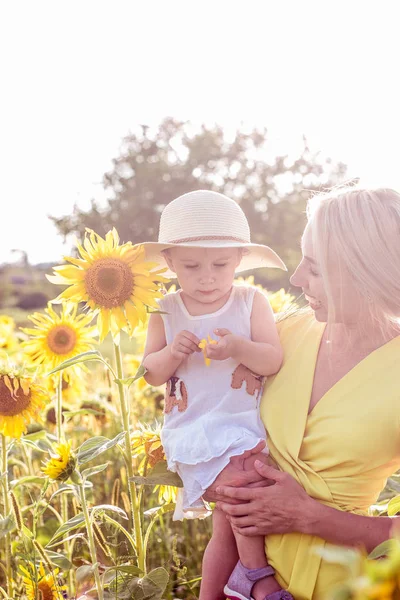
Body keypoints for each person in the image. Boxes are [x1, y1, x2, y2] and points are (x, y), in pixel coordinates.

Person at [207, 185, 400, 599]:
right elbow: (217, 435)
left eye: (315, 267)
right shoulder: (279, 338)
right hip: (240, 576)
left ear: (368, 270)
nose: (296, 279)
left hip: (346, 585)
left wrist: (308, 516)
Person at [141, 190, 293, 600]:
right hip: (195, 431)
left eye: (220, 264)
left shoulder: (250, 301)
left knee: (225, 524)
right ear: (170, 261)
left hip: (245, 428)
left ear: (239, 260)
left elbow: (272, 359)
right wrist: (173, 353)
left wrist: (239, 348)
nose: (207, 276)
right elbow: (149, 373)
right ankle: (257, 574)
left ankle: (215, 591)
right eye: (191, 266)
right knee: (241, 491)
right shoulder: (166, 309)